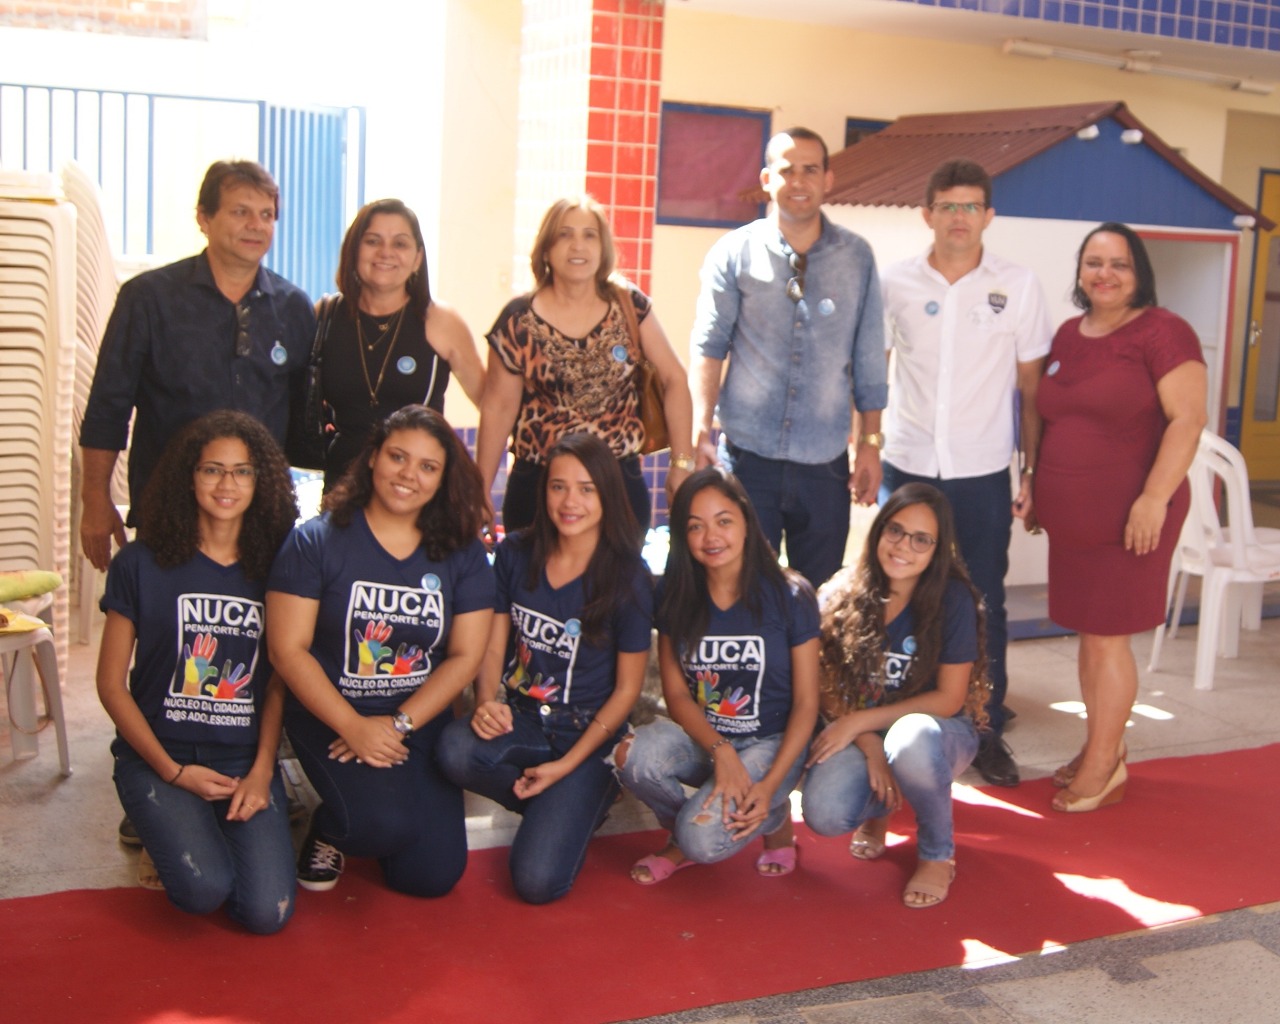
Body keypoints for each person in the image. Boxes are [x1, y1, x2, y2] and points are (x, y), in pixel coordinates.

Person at [266, 405, 494, 894]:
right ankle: (331, 826)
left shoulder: (462, 552)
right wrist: (352, 725)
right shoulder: (316, 542)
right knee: (378, 826)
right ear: (373, 458)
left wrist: (398, 725)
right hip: (331, 718)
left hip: (416, 718)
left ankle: (380, 812)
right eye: (397, 457)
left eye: (427, 466)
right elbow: (288, 650)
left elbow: (465, 657)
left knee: (430, 878)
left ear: (442, 479)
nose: (409, 475)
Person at [879, 159, 1053, 788]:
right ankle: (886, 714)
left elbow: (1032, 390)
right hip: (906, 462)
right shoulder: (894, 281)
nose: (959, 217)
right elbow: (872, 375)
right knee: (892, 594)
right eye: (947, 205)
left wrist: (1031, 469)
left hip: (981, 469)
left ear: (989, 215)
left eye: (971, 206)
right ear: (926, 213)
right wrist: (865, 448)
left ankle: (983, 727)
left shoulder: (1020, 285)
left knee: (984, 600)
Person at [95, 410, 300, 933]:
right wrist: (171, 771)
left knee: (265, 914)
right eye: (212, 469)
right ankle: (168, 824)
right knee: (203, 889)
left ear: (262, 482)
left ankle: (205, 826)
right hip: (160, 753)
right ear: (189, 476)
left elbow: (279, 678)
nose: (227, 484)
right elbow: (110, 685)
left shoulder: (280, 567)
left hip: (241, 756)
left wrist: (261, 770)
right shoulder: (139, 563)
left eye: (243, 471)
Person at [1032, 223, 1206, 813]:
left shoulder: (1164, 332)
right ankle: (1101, 745)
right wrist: (1035, 484)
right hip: (1074, 520)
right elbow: (1054, 420)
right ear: (1080, 271)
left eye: (1120, 264)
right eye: (1093, 262)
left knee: (1108, 642)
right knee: (1090, 637)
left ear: (1140, 274)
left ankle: (1106, 767)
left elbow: (1187, 420)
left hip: (1133, 517)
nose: (1104, 274)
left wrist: (1154, 498)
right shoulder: (1068, 333)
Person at [437, 433, 653, 904]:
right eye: (558, 487)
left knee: (537, 883)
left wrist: (566, 767)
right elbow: (494, 644)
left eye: (585, 488)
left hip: (588, 735)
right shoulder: (516, 552)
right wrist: (488, 700)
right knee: (454, 748)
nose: (569, 501)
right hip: (525, 717)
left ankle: (579, 795)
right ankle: (555, 805)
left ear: (607, 495)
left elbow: (626, 693)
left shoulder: (629, 576)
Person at [80, 159, 316, 572]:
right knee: (168, 631)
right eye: (240, 212)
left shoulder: (294, 308)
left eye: (266, 215)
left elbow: (303, 417)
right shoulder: (149, 299)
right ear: (204, 218)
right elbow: (107, 407)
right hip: (167, 511)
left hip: (261, 520)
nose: (255, 226)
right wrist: (95, 500)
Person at [689, 127, 887, 589]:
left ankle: (807, 667)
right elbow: (709, 345)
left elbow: (868, 357)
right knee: (736, 586)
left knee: (818, 597)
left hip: (825, 462)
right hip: (746, 457)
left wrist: (871, 445)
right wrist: (700, 428)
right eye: (786, 170)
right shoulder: (734, 252)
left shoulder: (856, 257)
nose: (798, 181)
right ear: (766, 179)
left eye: (810, 170)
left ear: (827, 180)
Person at [618, 468, 819, 883]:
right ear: (682, 535)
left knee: (702, 842)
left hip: (771, 743)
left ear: (746, 521)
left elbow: (806, 703)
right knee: (632, 758)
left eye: (724, 521)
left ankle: (763, 817)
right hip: (708, 741)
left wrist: (771, 783)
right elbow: (676, 694)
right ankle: (694, 828)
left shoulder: (790, 595)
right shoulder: (676, 596)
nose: (712, 537)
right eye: (696, 526)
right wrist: (722, 751)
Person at [801, 483, 989, 909]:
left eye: (921, 539)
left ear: (938, 549)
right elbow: (819, 682)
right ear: (878, 530)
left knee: (911, 741)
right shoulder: (841, 591)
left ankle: (937, 852)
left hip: (937, 733)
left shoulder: (953, 598)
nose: (904, 546)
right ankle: (878, 810)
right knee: (825, 813)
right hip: (867, 728)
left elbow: (949, 699)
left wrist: (860, 723)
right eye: (896, 531)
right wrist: (867, 743)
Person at [475, 195, 695, 535]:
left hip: (617, 484)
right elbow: (498, 408)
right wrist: (480, 491)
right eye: (565, 235)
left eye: (589, 235)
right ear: (546, 249)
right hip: (540, 486)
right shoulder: (518, 320)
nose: (578, 245)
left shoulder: (629, 305)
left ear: (603, 247)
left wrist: (681, 464)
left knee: (617, 587)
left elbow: (674, 379)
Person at [319, 199, 485, 491]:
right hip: (343, 489)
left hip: (416, 490)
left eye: (400, 244)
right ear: (354, 250)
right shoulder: (325, 316)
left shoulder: (440, 321)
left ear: (418, 258)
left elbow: (492, 404)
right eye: (373, 241)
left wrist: (479, 482)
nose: (386, 253)